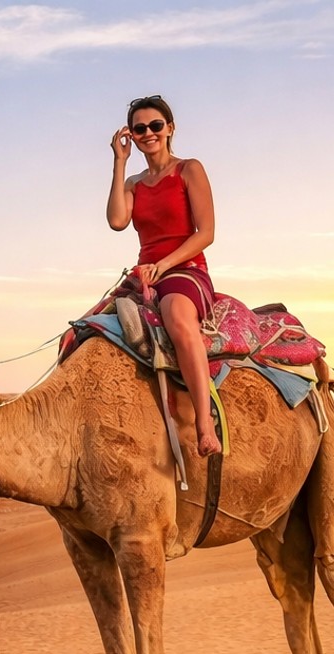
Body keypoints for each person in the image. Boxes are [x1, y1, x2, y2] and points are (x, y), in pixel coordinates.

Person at [107, 95, 220, 457]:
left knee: (175, 316)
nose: (148, 133)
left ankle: (204, 424)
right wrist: (119, 163)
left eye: (156, 125)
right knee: (88, 328)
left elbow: (206, 233)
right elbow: (116, 221)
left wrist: (166, 265)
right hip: (145, 273)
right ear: (133, 136)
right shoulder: (134, 184)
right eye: (140, 128)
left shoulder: (189, 169)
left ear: (170, 128)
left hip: (185, 270)